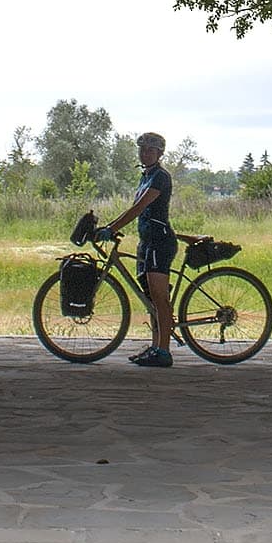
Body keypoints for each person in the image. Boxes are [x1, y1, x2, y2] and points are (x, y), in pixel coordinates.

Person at [103, 131, 175, 367]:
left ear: (159, 154)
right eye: (142, 149)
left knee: (160, 299)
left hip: (159, 242)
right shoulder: (146, 175)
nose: (144, 153)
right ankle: (156, 346)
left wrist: (112, 227)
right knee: (150, 299)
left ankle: (164, 351)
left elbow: (138, 208)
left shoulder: (160, 177)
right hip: (146, 241)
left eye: (150, 150)